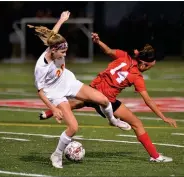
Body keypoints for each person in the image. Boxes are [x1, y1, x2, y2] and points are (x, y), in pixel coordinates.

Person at [40, 32, 178, 163]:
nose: (148, 69)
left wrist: (98, 41)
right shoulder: (137, 76)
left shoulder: (124, 56)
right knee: (137, 124)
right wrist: (163, 117)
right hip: (105, 102)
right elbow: (148, 101)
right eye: (149, 67)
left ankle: (49, 112)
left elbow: (108, 51)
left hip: (93, 90)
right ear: (143, 63)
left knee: (78, 103)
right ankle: (155, 156)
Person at [30, 11, 130, 169]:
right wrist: (53, 109)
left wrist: (62, 19)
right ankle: (56, 155)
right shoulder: (41, 67)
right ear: (53, 51)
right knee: (73, 127)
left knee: (103, 100)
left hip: (68, 81)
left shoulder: (54, 45)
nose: (65, 54)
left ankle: (112, 120)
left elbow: (53, 34)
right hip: (55, 93)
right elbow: (40, 92)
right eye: (62, 52)